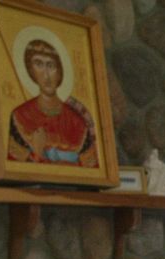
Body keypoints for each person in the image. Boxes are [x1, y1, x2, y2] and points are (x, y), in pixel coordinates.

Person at [7, 39, 98, 167]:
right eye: (38, 64)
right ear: (30, 70)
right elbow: (15, 169)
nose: (46, 75)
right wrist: (37, 152)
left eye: (51, 65)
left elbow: (91, 169)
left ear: (60, 71)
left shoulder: (77, 121)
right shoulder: (20, 116)